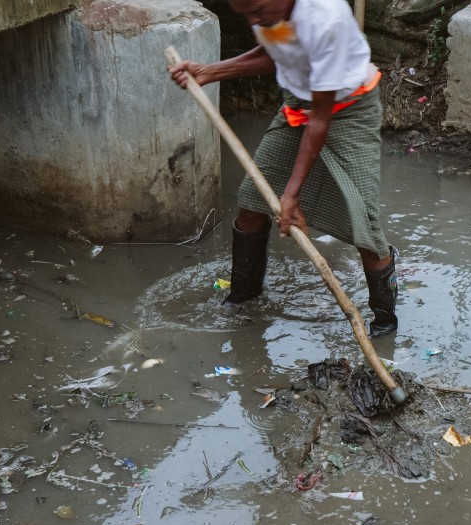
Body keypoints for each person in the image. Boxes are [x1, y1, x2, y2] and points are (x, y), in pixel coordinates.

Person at [169, 0, 398, 336]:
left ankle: (384, 321)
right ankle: (244, 296)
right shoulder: (268, 11)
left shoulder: (326, 19)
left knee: (364, 227)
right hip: (299, 103)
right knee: (251, 203)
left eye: (258, 10)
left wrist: (291, 196)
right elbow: (274, 52)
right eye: (246, 14)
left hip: (348, 110)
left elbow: (320, 120)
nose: (254, 20)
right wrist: (210, 71)